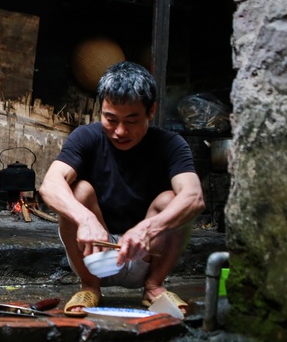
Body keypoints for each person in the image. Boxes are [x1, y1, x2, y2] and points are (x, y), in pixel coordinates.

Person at [39, 61, 205, 317]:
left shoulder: (171, 144)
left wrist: (146, 229)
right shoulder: (86, 137)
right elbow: (50, 184)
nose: (119, 131)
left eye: (131, 120)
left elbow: (194, 198)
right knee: (79, 191)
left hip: (145, 251)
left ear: (151, 111)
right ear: (101, 109)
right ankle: (90, 287)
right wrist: (85, 219)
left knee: (172, 200)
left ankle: (154, 287)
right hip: (94, 252)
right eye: (110, 119)